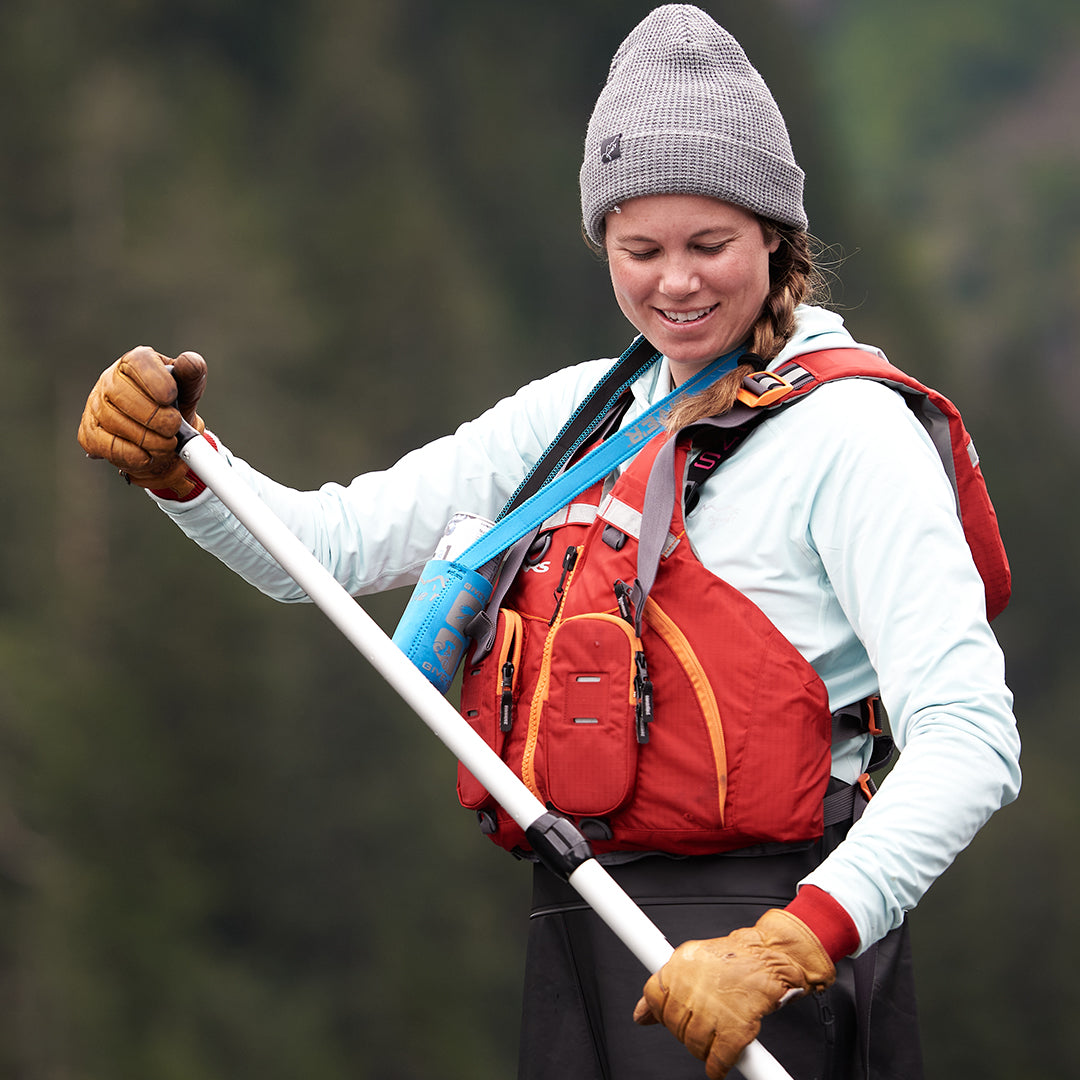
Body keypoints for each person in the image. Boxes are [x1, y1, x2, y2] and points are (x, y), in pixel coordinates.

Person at [76, 6, 1020, 1079]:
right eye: (640, 249)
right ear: (601, 243)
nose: (676, 283)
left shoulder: (853, 435)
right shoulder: (580, 415)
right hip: (581, 925)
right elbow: (327, 550)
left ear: (777, 236)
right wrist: (180, 465)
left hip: (777, 951)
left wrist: (789, 946)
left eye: (711, 244)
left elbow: (971, 738)